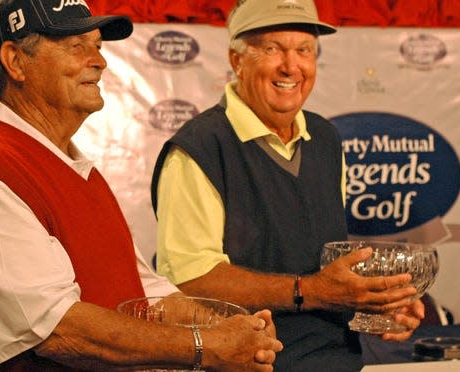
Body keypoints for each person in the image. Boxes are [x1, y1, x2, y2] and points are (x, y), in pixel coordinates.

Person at [0, 0, 283, 370]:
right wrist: (209, 345)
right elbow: (59, 330)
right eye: (76, 47)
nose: (100, 61)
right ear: (15, 62)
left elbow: (144, 292)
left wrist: (229, 331)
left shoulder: (76, 168)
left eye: (98, 46)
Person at [151, 0, 425, 371]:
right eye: (272, 49)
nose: (291, 66)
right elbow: (190, 279)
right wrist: (310, 292)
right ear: (237, 60)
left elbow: (321, 264)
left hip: (339, 361)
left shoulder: (326, 139)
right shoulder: (200, 148)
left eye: (304, 50)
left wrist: (375, 302)